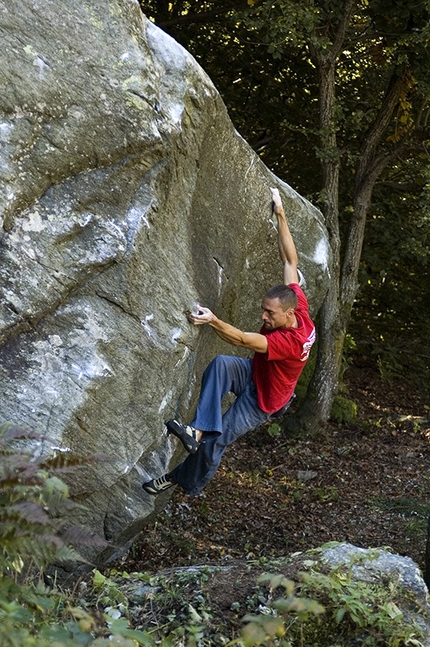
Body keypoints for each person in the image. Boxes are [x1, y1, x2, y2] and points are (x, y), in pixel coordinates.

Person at [142, 187, 315, 497]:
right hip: (254, 371)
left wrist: (213, 320)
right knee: (222, 364)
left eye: (269, 313)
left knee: (214, 443)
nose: (263, 316)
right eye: (264, 309)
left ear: (287, 314)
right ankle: (196, 429)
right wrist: (281, 213)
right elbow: (290, 259)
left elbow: (239, 337)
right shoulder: (297, 305)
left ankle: (183, 480)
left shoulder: (291, 341)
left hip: (263, 400)